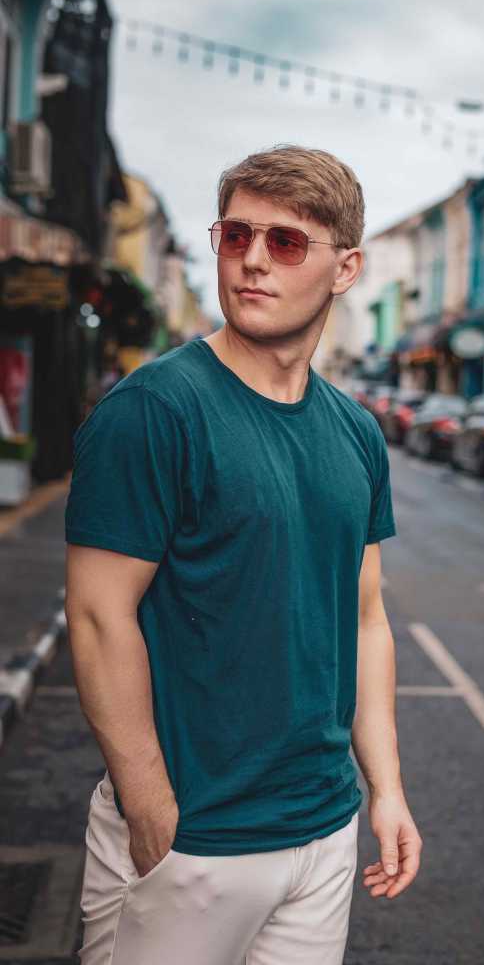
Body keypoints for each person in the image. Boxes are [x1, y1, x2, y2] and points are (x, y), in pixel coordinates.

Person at [64, 144, 423, 965]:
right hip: (191, 839)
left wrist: (385, 793)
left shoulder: (356, 432)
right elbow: (96, 615)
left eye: (287, 242)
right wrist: (151, 807)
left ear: (344, 268)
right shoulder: (154, 411)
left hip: (322, 833)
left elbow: (365, 618)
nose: (253, 260)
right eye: (236, 236)